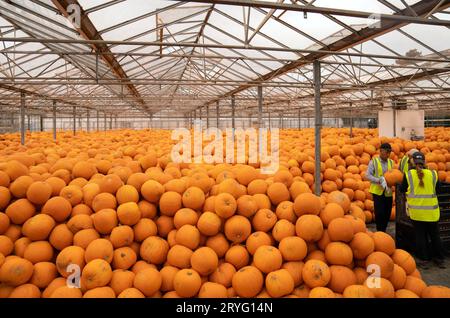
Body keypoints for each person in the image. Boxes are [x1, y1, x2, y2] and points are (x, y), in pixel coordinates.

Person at [400, 151, 445, 269]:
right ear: (424, 162)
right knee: (435, 235)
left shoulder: (408, 175)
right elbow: (439, 190)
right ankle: (439, 259)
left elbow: (402, 189)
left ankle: (424, 260)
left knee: (420, 236)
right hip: (432, 212)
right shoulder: (433, 174)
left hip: (417, 213)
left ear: (413, 162)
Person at [366, 143, 394, 232]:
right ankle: (380, 231)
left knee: (387, 213)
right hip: (378, 192)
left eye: (389, 152)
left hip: (388, 192)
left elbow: (394, 175)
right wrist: (379, 180)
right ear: (381, 151)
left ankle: (384, 230)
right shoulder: (373, 162)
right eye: (387, 152)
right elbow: (367, 175)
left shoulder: (391, 162)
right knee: (379, 213)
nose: (388, 154)